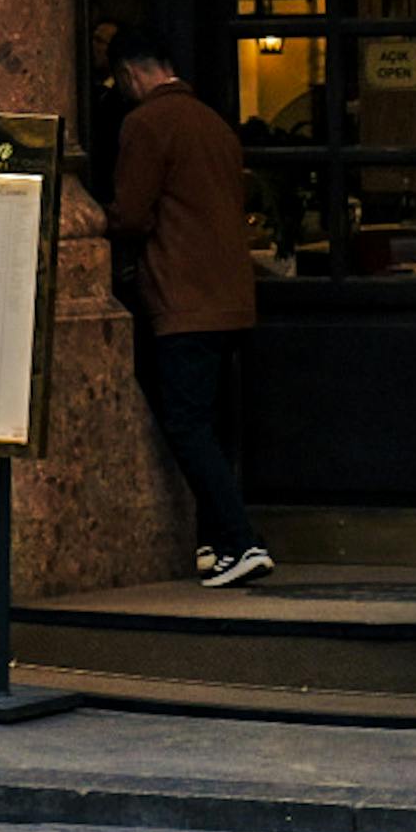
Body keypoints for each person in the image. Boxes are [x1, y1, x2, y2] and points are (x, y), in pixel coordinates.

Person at [104, 31, 270, 590]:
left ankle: (241, 542)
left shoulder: (147, 124)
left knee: (186, 423)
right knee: (213, 423)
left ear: (130, 74)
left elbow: (130, 215)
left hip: (182, 299)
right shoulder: (212, 122)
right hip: (230, 298)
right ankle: (214, 543)